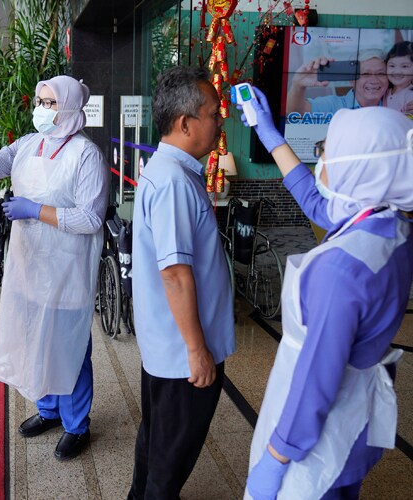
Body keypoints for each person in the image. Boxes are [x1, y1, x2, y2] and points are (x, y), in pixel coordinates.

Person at [237, 88, 413, 499]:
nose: (321, 162)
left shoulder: (341, 269)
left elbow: (318, 375)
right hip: (356, 417)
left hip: (316, 441)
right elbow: (321, 206)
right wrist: (271, 137)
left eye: (327, 153)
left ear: (359, 171)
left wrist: (277, 457)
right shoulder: (390, 226)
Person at [0, 75, 109, 461]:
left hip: (68, 272)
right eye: (40, 101)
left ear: (68, 106)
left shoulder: (85, 155)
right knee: (36, 340)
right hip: (30, 267)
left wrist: (34, 210)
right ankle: (49, 411)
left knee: (70, 349)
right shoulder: (29, 144)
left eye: (49, 103)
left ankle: (76, 425)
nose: (41, 109)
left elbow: (90, 218)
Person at [128, 66, 235, 499]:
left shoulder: (174, 171)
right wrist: (197, 351)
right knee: (167, 462)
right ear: (185, 122)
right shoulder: (173, 181)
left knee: (157, 444)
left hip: (170, 351)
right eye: (213, 113)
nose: (219, 121)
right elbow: (174, 273)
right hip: (183, 359)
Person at [286, 51, 389, 118]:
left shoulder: (397, 105)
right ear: (351, 80)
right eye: (366, 74)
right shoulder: (334, 105)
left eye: (381, 73)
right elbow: (294, 111)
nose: (374, 80)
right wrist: (297, 85)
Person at [384, 40, 413, 115]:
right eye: (392, 66)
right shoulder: (385, 91)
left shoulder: (410, 95)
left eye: (404, 66)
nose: (397, 71)